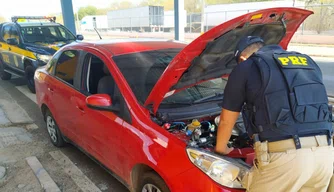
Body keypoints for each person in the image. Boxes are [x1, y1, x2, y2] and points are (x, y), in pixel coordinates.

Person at [214, 36, 334, 192]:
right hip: (324, 156)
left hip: (286, 159)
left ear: (242, 58)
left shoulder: (247, 66)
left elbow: (225, 121)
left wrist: (221, 149)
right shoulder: (306, 62)